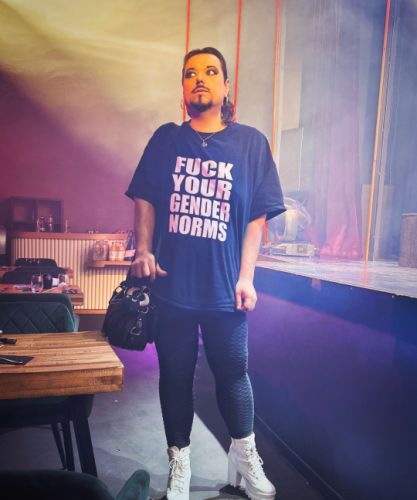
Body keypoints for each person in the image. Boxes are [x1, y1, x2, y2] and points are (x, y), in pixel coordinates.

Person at [126, 47, 286, 500]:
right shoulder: (166, 139)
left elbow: (257, 217)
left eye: (211, 72)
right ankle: (179, 462)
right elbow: (144, 196)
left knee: (234, 374)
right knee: (175, 376)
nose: (200, 78)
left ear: (226, 85)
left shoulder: (250, 144)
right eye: (190, 73)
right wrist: (143, 249)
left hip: (224, 289)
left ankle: (244, 457)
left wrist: (247, 276)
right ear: (183, 88)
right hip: (172, 286)